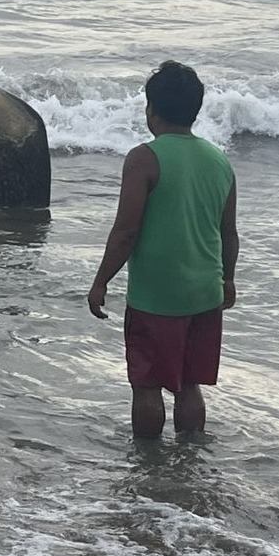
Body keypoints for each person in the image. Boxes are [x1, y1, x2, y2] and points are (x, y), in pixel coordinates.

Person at [87, 60, 238, 440]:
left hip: (157, 296)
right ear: (195, 109)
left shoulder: (144, 158)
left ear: (150, 110)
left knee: (148, 384)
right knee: (189, 383)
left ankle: (149, 467)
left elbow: (126, 231)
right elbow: (229, 233)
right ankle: (187, 463)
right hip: (204, 292)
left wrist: (100, 282)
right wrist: (229, 280)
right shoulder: (219, 160)